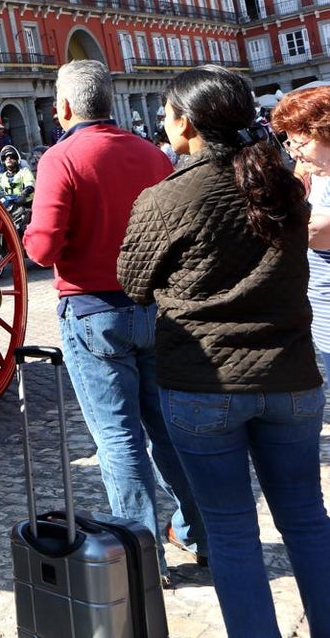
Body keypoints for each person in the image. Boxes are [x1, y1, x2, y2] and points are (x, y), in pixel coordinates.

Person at [118, 66, 330, 638]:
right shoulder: (281, 185)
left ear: (185, 123)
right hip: (290, 376)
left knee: (232, 532)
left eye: (166, 114)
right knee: (308, 519)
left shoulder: (167, 198)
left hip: (204, 385)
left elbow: (132, 281)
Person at [22, 58, 206, 581]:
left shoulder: (61, 159)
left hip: (92, 311)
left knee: (118, 438)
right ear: (111, 100)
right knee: (166, 430)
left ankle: (142, 556)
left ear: (62, 107)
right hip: (153, 308)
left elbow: (42, 246)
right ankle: (199, 532)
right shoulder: (151, 153)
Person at [270, 85, 330, 371]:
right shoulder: (313, 177)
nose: (294, 153)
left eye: (301, 143)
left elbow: (313, 232)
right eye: (289, 143)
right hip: (321, 322)